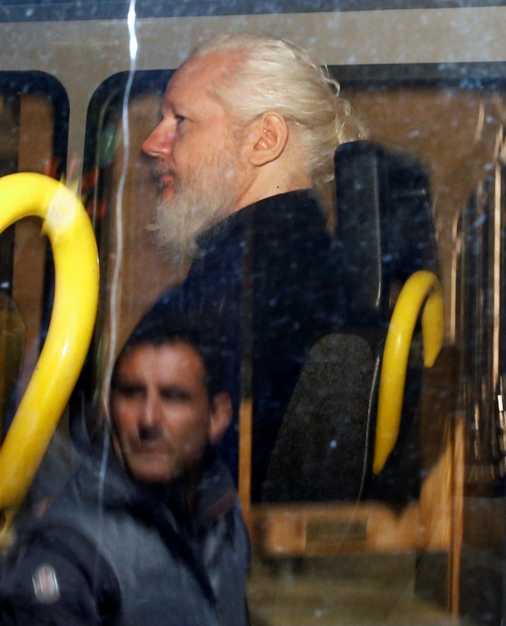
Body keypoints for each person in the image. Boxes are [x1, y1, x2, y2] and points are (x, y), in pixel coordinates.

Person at [137, 35, 363, 501]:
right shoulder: (318, 265)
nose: (152, 144)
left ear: (264, 140)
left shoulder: (234, 292)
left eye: (180, 120)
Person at [0, 318, 250, 626]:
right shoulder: (70, 552)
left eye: (172, 396)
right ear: (109, 408)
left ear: (218, 416)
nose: (148, 419)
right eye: (131, 393)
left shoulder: (222, 516)